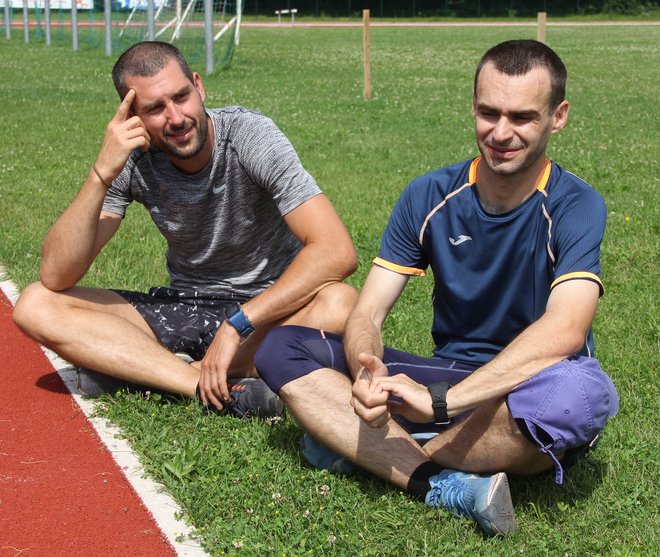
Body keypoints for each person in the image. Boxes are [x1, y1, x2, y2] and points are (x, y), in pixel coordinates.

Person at [254, 39, 619, 535]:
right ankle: (434, 479)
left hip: (526, 388)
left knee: (579, 395)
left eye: (523, 117)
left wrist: (446, 402)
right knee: (283, 345)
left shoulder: (577, 204)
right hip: (446, 376)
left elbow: (566, 330)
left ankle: (364, 449)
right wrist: (366, 369)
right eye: (488, 113)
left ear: (558, 117)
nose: (501, 132)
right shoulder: (430, 195)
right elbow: (367, 313)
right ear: (472, 107)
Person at [13, 41, 358, 418]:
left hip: (268, 311)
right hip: (185, 305)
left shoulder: (248, 136)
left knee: (341, 304)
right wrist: (101, 174)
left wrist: (238, 324)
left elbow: (335, 251)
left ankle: (144, 370)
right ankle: (197, 384)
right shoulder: (133, 157)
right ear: (132, 117)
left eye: (181, 97)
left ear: (198, 86)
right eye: (154, 109)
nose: (176, 118)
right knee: (36, 303)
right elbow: (56, 273)